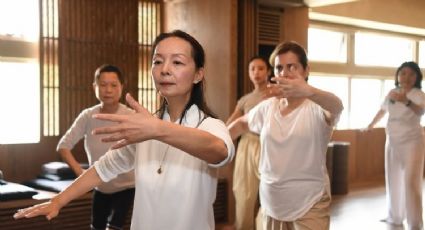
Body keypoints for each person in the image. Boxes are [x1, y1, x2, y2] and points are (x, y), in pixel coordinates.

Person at [14, 30, 235, 230]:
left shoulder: (209, 125)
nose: (165, 69)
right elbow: (104, 167)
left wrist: (158, 128)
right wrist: (59, 200)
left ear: (198, 74)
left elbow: (219, 151)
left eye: (177, 62)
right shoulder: (144, 128)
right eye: (158, 61)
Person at [228, 41, 343, 230]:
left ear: (305, 70)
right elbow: (241, 123)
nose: (285, 72)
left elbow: (337, 106)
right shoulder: (268, 106)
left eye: (292, 67)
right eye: (279, 68)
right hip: (272, 204)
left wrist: (309, 91)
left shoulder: (317, 108)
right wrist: (218, 142)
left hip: (309, 203)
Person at [56, 64, 135, 230]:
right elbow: (63, 146)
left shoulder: (131, 116)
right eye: (103, 85)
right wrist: (81, 174)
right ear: (94, 87)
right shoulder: (87, 116)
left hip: (127, 187)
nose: (108, 90)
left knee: (114, 227)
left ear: (122, 87)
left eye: (113, 85)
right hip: (99, 186)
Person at [366, 61, 425, 230]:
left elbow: (421, 111)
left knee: (411, 183)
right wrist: (371, 124)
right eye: (403, 73)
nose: (407, 77)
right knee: (393, 180)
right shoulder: (392, 93)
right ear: (398, 75)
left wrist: (406, 101)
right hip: (392, 141)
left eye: (412, 74)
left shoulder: (419, 94)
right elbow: (383, 110)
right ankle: (395, 217)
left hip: (413, 142)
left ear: (417, 78)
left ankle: (415, 223)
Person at [226, 56, 271, 230]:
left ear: (268, 71)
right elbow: (231, 123)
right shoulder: (245, 99)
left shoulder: (275, 94)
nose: (256, 72)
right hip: (247, 144)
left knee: (270, 191)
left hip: (269, 145)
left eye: (260, 68)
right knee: (243, 190)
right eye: (252, 69)